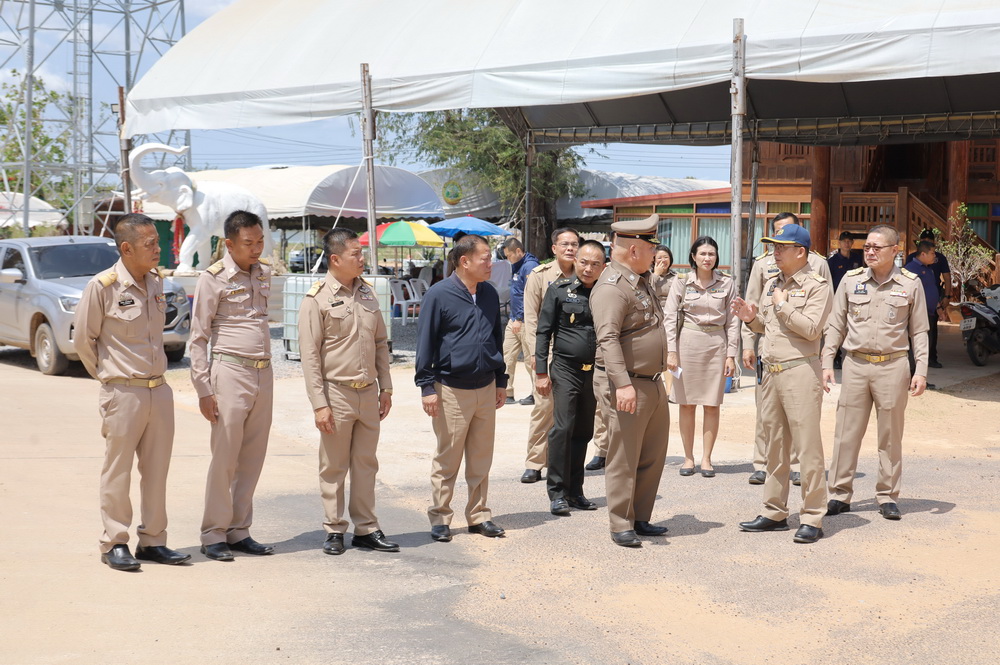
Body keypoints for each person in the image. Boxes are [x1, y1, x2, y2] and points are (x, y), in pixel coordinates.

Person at [74, 213, 190, 570]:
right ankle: (114, 542)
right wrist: (110, 378)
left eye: (157, 242)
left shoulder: (156, 282)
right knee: (118, 470)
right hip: (123, 392)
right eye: (149, 244)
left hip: (159, 391)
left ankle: (154, 541)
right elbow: (83, 340)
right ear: (126, 248)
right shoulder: (103, 286)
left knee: (157, 471)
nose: (158, 249)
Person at [298, 228, 399, 555]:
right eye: (356, 254)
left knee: (366, 463)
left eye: (361, 253)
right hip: (336, 393)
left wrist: (386, 386)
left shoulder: (367, 294)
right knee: (334, 465)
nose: (362, 259)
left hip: (368, 393)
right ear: (335, 259)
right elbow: (310, 355)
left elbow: (380, 343)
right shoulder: (317, 299)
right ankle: (334, 529)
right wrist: (319, 404)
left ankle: (366, 528)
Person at [731, 223, 832, 544]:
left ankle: (813, 516)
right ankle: (774, 511)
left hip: (801, 370)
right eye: (773, 247)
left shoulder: (817, 285)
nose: (774, 253)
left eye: (780, 247)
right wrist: (750, 316)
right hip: (771, 371)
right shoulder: (773, 282)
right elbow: (765, 325)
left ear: (800, 252)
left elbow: (813, 329)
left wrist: (783, 304)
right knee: (775, 444)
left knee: (807, 446)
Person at [823, 225, 929, 521]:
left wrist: (920, 370)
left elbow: (919, 330)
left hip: (894, 366)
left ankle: (887, 496)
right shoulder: (850, 279)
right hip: (855, 365)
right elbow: (836, 324)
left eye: (876, 247)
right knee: (846, 433)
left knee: (890, 435)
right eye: (866, 246)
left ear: (895, 250)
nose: (869, 251)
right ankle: (840, 494)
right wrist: (826, 362)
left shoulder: (911, 283)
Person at [190, 210, 275, 561]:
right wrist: (203, 389)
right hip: (229, 372)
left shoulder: (265, 273)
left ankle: (239, 530)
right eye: (248, 243)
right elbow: (198, 337)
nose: (256, 249)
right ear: (229, 243)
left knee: (253, 456)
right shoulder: (212, 279)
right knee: (225, 457)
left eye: (260, 242)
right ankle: (213, 534)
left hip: (263, 372)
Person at [415, 234, 508, 542]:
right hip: (451, 390)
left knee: (482, 457)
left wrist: (501, 381)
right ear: (464, 261)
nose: (490, 264)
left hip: (485, 386)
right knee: (448, 457)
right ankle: (440, 517)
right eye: (485, 258)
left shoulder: (489, 294)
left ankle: (479, 515)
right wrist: (427, 386)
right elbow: (425, 342)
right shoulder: (439, 295)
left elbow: (497, 338)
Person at [592, 215, 670, 548]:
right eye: (652, 248)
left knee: (652, 453)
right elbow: (607, 339)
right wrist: (622, 383)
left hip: (651, 381)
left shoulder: (640, 280)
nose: (655, 254)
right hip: (628, 383)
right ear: (635, 248)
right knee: (624, 455)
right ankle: (620, 522)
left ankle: (640, 516)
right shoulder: (611, 287)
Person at [534, 240, 606, 515]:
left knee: (584, 432)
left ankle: (576, 491)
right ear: (576, 261)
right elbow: (543, 332)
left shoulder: (605, 293)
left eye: (595, 264)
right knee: (562, 429)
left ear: (603, 266)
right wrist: (541, 371)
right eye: (584, 262)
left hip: (594, 373)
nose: (588, 269)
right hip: (565, 369)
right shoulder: (559, 290)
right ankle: (557, 492)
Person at [663, 236, 740, 478]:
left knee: (712, 404)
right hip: (687, 345)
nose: (707, 258)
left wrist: (731, 355)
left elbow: (734, 321)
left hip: (716, 345)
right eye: (703, 254)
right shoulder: (681, 282)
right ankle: (688, 458)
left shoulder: (727, 283)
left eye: (712, 254)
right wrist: (671, 351)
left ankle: (707, 459)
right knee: (686, 404)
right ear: (693, 257)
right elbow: (669, 317)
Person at [519, 227, 581, 483]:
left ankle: (566, 462)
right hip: (546, 348)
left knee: (573, 409)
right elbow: (531, 319)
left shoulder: (587, 275)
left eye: (575, 244)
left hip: (575, 350)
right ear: (553, 248)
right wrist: (538, 355)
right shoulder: (539, 276)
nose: (570, 248)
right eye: (565, 244)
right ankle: (535, 462)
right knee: (544, 406)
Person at [501, 237, 539, 404]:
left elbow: (531, 296)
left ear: (518, 251)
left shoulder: (530, 266)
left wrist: (520, 318)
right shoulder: (517, 266)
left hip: (524, 321)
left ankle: (536, 393)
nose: (508, 259)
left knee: (531, 360)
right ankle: (506, 392)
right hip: (513, 320)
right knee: (507, 355)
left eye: (509, 255)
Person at [905, 238, 945, 369]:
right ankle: (912, 376)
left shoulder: (929, 269)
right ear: (923, 254)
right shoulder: (911, 269)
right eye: (933, 253)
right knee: (915, 347)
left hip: (930, 313)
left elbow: (931, 289)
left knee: (926, 345)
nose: (935, 256)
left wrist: (938, 307)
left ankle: (920, 377)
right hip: (917, 315)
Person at [650, 244, 676, 309]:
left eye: (666, 257)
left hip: (671, 312)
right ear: (654, 260)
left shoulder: (676, 276)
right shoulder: (647, 275)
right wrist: (656, 274)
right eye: (659, 258)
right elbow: (647, 289)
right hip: (654, 312)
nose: (663, 260)